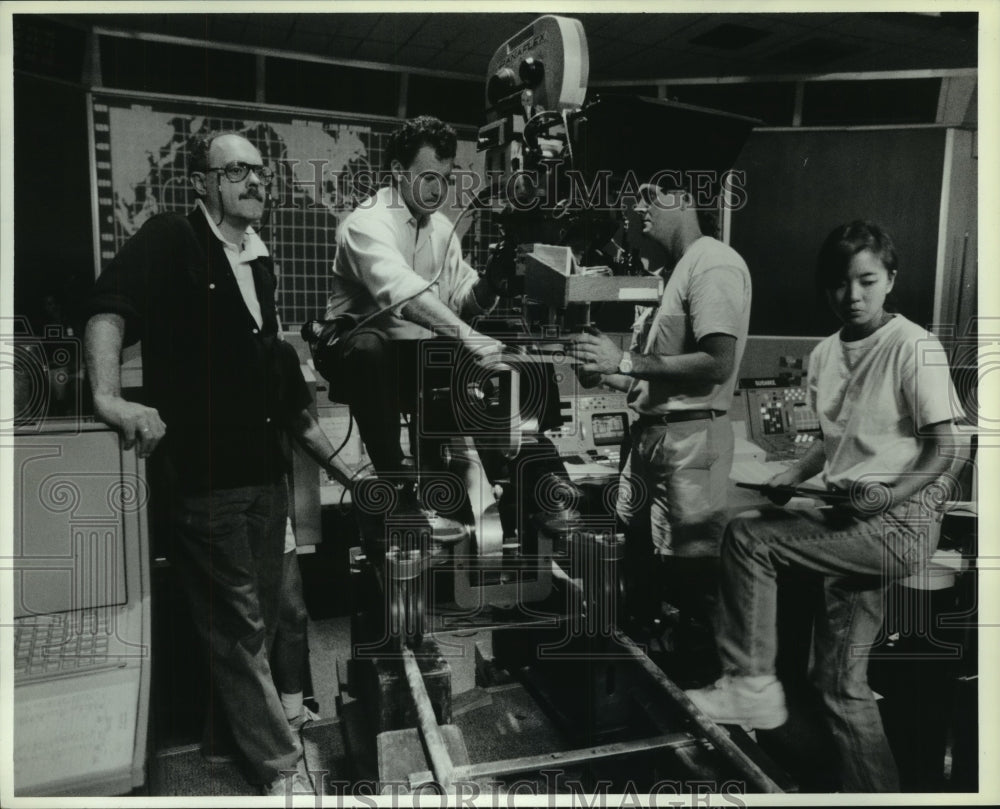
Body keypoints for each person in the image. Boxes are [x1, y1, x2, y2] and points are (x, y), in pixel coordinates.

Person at [84, 131, 351, 796]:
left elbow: (271, 385)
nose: (252, 181)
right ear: (202, 182)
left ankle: (220, 742)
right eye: (234, 171)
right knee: (236, 629)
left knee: (257, 621)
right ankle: (281, 772)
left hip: (264, 477)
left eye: (258, 171)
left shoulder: (259, 262)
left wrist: (354, 474)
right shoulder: (172, 238)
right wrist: (108, 396)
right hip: (206, 481)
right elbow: (107, 307)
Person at [684, 221, 962, 792]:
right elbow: (831, 442)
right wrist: (791, 474)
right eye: (839, 283)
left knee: (747, 537)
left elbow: (948, 447)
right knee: (837, 683)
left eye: (866, 281)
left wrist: (889, 493)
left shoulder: (912, 345)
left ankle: (749, 686)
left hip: (895, 526)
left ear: (890, 280)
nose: (853, 296)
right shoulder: (824, 353)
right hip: (846, 521)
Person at [574, 180, 752, 628]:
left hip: (689, 441)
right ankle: (647, 667)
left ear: (688, 198)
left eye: (652, 195)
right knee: (638, 560)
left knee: (690, 576)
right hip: (650, 438)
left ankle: (702, 679)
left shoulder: (713, 263)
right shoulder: (672, 274)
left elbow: (717, 361)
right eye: (637, 197)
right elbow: (651, 379)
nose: (639, 206)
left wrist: (626, 359)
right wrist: (605, 371)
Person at [322, 115, 502, 478]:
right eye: (428, 179)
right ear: (398, 171)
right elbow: (400, 292)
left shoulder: (441, 229)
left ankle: (440, 470)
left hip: (409, 355)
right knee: (371, 347)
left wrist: (493, 281)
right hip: (352, 350)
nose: (438, 191)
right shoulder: (367, 222)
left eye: (445, 180)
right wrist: (467, 336)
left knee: (445, 353)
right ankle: (394, 476)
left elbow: (463, 297)